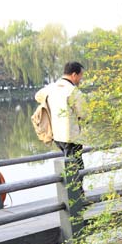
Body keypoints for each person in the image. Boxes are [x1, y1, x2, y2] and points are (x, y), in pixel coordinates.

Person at [35, 61, 86, 189]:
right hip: (71, 136)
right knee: (77, 167)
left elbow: (37, 96)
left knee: (68, 164)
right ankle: (77, 199)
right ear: (74, 75)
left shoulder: (51, 88)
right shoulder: (73, 91)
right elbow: (84, 113)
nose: (81, 79)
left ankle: (73, 197)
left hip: (57, 135)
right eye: (81, 76)